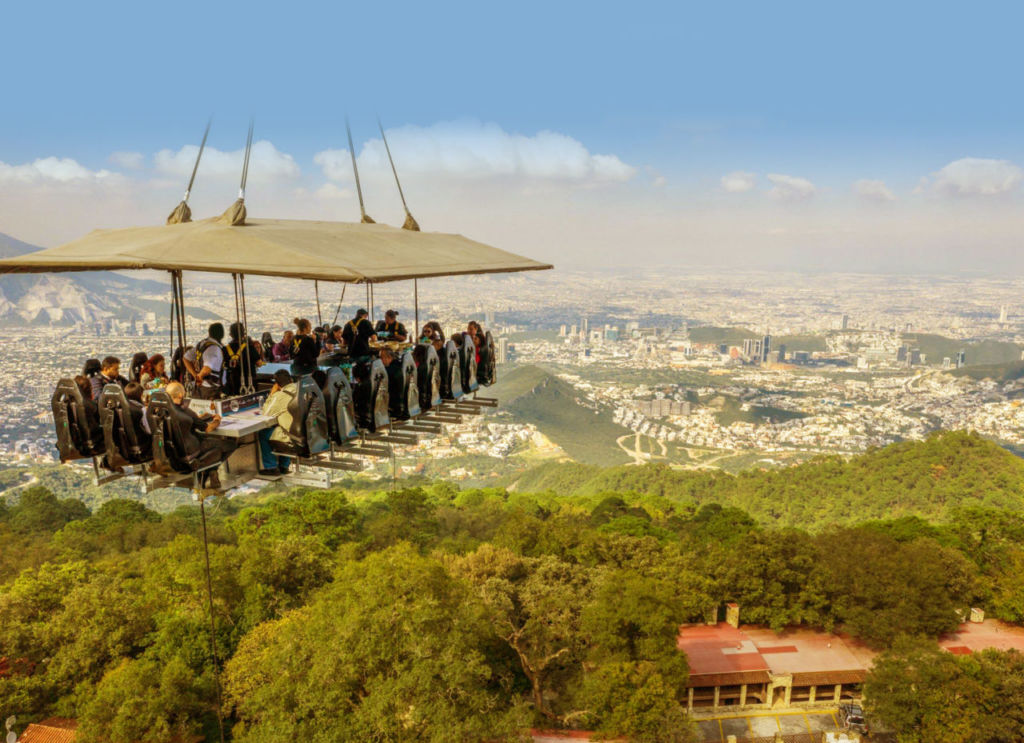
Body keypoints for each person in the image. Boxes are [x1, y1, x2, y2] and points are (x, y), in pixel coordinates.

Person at [165, 381, 235, 488]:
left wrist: (199, 418)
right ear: (180, 395)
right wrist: (217, 420)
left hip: (176, 454)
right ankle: (209, 469)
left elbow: (189, 422)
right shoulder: (186, 412)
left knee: (214, 445)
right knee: (230, 445)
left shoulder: (164, 411)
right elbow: (208, 428)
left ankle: (211, 470)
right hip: (193, 450)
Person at [257, 369, 296, 476]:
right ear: (291, 379)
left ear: (277, 385)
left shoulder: (280, 395)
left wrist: (272, 394)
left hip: (293, 437)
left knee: (264, 433)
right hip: (306, 432)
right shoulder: (301, 388)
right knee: (284, 428)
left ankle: (271, 467)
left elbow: (267, 412)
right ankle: (284, 465)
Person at [186, 323, 227, 400]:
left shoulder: (202, 344)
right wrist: (200, 376)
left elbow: (186, 358)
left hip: (202, 388)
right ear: (222, 335)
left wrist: (195, 375)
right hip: (212, 390)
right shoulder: (214, 348)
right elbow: (207, 368)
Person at [225, 321, 261, 396]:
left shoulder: (225, 349)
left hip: (232, 382)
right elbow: (259, 363)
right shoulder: (249, 347)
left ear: (230, 335)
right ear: (243, 334)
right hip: (249, 381)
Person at [73, 374, 102, 445]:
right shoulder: (89, 405)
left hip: (76, 439)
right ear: (88, 389)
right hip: (92, 440)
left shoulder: (68, 404)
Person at [123, 381, 153, 448]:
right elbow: (149, 431)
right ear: (141, 395)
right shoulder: (142, 410)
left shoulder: (122, 407)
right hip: (143, 444)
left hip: (126, 444)